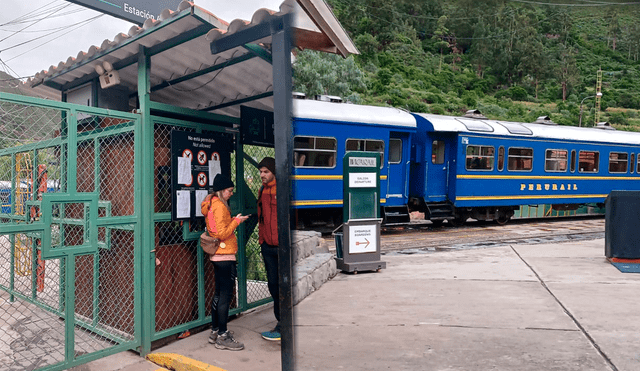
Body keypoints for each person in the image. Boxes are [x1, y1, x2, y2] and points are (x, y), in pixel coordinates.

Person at [202, 174, 249, 351]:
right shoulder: (220, 206)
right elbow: (221, 233)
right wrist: (236, 221)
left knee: (218, 294)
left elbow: (216, 229)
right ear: (221, 190)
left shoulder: (211, 204)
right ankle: (223, 335)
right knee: (225, 296)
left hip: (216, 256)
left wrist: (232, 220)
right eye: (229, 190)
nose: (231, 193)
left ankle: (215, 331)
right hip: (225, 254)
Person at [256, 157, 281, 341]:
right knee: (273, 285)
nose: (262, 175)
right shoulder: (262, 191)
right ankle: (281, 322)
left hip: (282, 248)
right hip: (268, 247)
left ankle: (284, 325)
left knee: (285, 286)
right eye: (261, 172)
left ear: (273, 171)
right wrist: (262, 241)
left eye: (266, 171)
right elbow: (262, 218)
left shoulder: (282, 190)